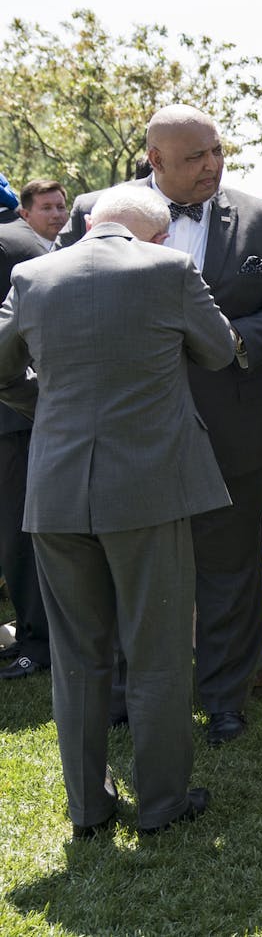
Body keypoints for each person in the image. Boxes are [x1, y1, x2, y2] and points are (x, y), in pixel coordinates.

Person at [0, 186, 235, 834]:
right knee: (157, 650)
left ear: (90, 223)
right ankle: (162, 803)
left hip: (56, 490)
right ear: (155, 235)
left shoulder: (33, 273)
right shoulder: (170, 269)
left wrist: (47, 406)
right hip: (149, 488)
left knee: (77, 655)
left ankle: (88, 807)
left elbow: (0, 371)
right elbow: (218, 351)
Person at [143, 104, 262, 745]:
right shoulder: (105, 216)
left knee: (229, 568)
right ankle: (135, 696)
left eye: (217, 150)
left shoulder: (261, 219)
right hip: (139, 430)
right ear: (155, 160)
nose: (213, 165)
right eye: (195, 157)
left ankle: (226, 698)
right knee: (143, 571)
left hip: (232, 425)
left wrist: (230, 341)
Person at [0, 200, 52, 681]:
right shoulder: (24, 239)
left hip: (14, 417)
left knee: (19, 533)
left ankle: (38, 643)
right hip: (20, 410)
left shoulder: (9, 243)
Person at [17, 180, 68, 247]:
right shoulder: (19, 252)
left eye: (61, 207)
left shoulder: (79, 245)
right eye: (47, 208)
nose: (56, 215)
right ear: (26, 215)